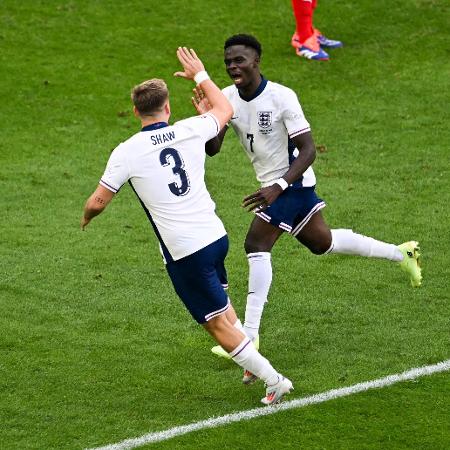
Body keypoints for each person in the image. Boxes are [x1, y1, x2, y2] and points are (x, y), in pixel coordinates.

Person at [191, 34, 422, 380]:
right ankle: (401, 254)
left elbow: (309, 149)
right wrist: (211, 119)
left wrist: (279, 186)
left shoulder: (282, 97)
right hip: (276, 186)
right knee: (323, 243)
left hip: (293, 183)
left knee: (256, 244)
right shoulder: (225, 98)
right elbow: (213, 149)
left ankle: (249, 336)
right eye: (228, 62)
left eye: (239, 60)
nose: (232, 67)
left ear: (256, 61)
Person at [80, 47, 293, 405]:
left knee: (214, 323)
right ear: (167, 108)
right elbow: (224, 110)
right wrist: (200, 75)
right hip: (215, 237)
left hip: (185, 252)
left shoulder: (127, 151)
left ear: (136, 112)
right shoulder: (191, 128)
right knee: (222, 308)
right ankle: (250, 363)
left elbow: (98, 201)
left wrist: (87, 216)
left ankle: (275, 381)